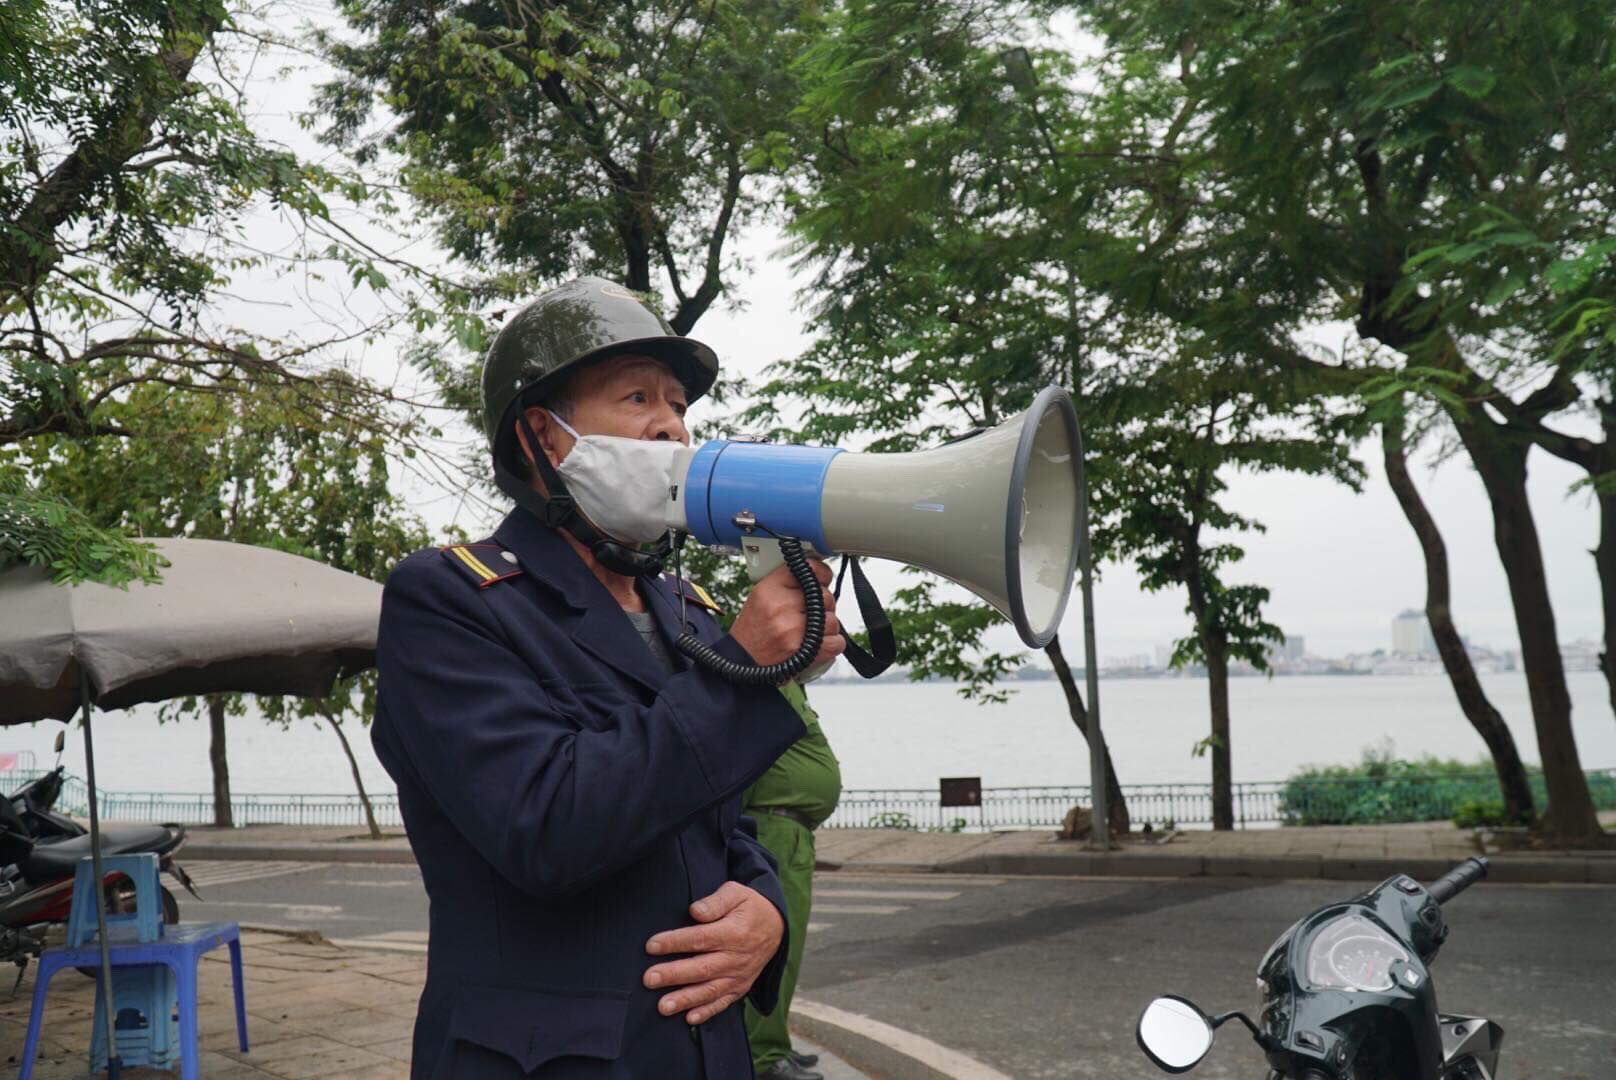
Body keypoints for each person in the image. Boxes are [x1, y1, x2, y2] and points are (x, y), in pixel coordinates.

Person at [373, 276, 846, 1078]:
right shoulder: (452, 600)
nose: (670, 424)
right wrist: (743, 681)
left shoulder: (685, 612)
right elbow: (547, 825)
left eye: (678, 405)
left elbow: (722, 824)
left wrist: (766, 909)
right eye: (635, 398)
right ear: (541, 439)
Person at [742, 683, 842, 1080]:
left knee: (790, 950)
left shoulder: (790, 684)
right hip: (773, 828)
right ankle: (762, 1058)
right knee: (772, 951)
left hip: (792, 830)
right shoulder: (764, 678)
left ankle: (774, 1045)